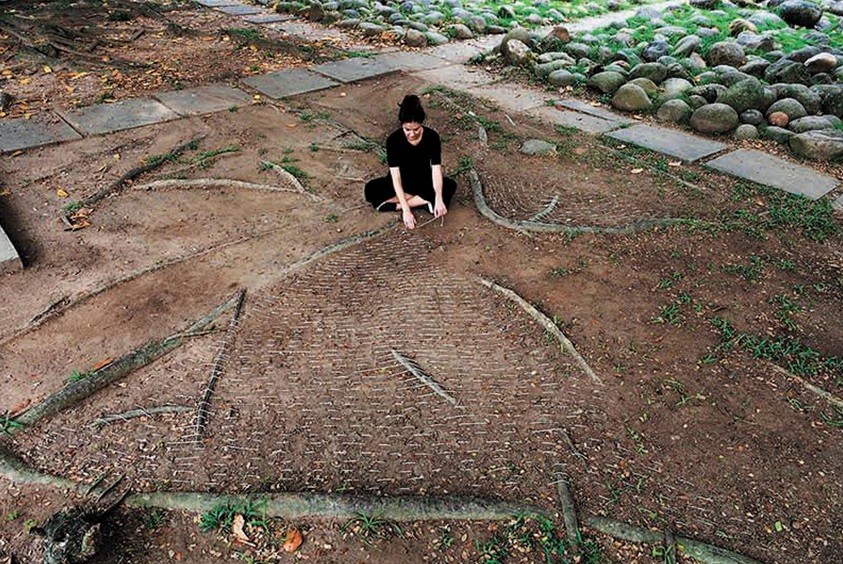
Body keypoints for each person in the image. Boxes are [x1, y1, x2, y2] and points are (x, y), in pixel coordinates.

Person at [364, 94, 457, 230]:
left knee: (449, 185)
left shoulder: (432, 137)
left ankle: (399, 203)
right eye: (407, 130)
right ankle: (423, 201)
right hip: (403, 180)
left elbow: (436, 169)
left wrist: (437, 198)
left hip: (424, 180)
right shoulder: (393, 140)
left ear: (421, 124)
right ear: (402, 125)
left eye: (416, 130)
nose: (412, 134)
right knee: (371, 189)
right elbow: (395, 176)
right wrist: (406, 211)